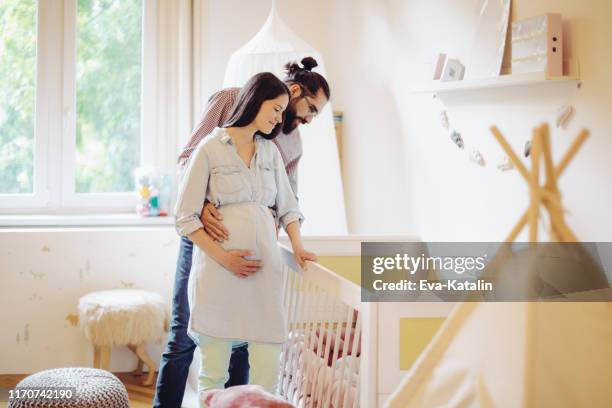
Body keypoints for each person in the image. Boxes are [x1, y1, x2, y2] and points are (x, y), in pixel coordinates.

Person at [153, 57, 330, 408]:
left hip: (255, 257)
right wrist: (204, 207)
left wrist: (280, 239)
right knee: (185, 331)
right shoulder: (228, 101)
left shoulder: (287, 144)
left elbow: (287, 199)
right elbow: (190, 159)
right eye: (311, 107)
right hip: (209, 239)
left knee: (243, 343)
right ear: (293, 91)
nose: (309, 118)